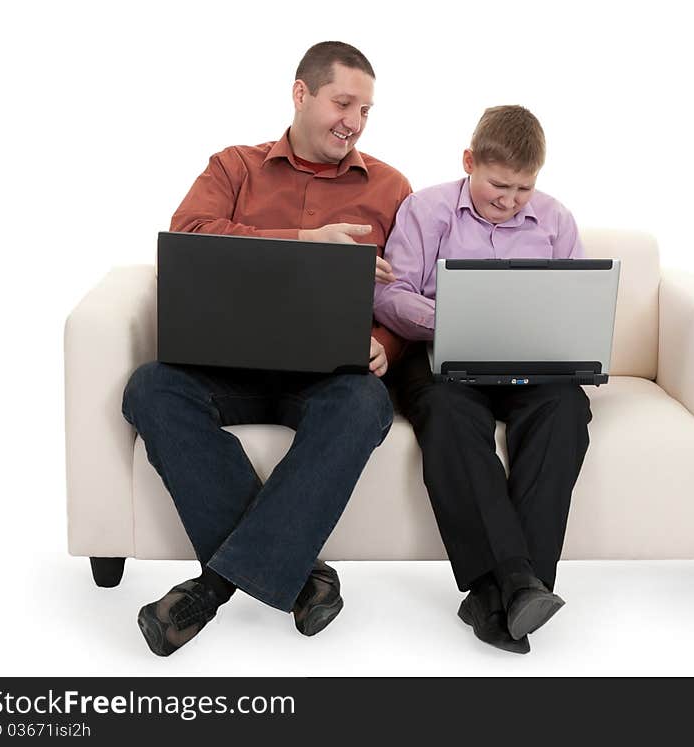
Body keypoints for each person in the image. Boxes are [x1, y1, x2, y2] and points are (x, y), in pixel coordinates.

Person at [122, 41, 411, 656]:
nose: (354, 122)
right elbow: (191, 234)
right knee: (150, 386)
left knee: (364, 402)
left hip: (328, 379)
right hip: (230, 368)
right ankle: (301, 576)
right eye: (342, 102)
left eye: (366, 110)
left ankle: (213, 586)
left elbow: (410, 291)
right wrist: (308, 243)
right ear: (301, 93)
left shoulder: (390, 187)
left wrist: (385, 343)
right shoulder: (234, 167)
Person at [374, 106, 591, 654]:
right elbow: (391, 295)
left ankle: (503, 594)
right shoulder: (426, 210)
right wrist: (452, 319)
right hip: (443, 356)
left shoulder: (556, 219)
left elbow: (576, 302)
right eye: (499, 184)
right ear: (470, 161)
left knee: (567, 410)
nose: (510, 199)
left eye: (524, 187)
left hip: (530, 360)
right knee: (448, 416)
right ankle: (520, 584)